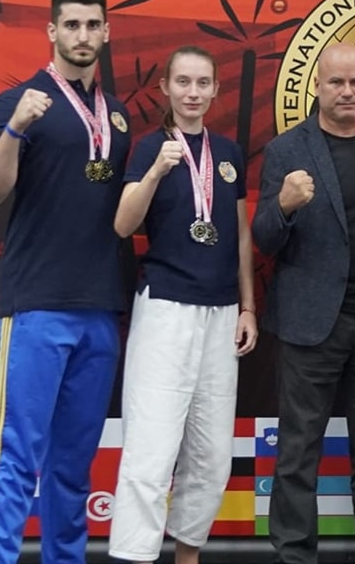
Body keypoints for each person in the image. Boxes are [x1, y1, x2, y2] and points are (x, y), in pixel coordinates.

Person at [0, 0, 131, 564]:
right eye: (71, 25)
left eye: (92, 25)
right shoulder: (18, 102)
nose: (82, 36)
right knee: (17, 456)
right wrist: (15, 129)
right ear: (52, 31)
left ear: (106, 32)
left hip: (99, 308)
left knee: (72, 466)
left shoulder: (118, 115)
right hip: (35, 306)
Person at [252, 42, 355, 564]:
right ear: (317, 85)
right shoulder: (286, 149)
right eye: (336, 82)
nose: (347, 91)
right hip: (310, 323)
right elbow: (264, 238)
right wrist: (283, 204)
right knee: (298, 450)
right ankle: (295, 556)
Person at [108, 45, 257, 564]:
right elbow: (123, 225)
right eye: (183, 82)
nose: (193, 93)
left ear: (216, 89)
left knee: (212, 454)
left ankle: (188, 555)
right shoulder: (150, 148)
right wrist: (154, 173)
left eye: (202, 83)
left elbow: (240, 235)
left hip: (221, 312)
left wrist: (248, 306)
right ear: (166, 88)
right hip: (166, 308)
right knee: (151, 449)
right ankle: (135, 556)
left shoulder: (229, 154)